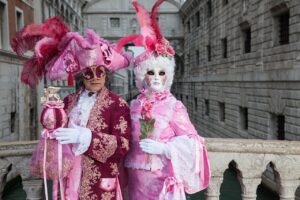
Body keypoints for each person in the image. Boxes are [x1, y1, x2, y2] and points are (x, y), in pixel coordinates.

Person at [12, 17, 131, 200]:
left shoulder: (118, 105)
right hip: (68, 179)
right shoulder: (67, 102)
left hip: (99, 183)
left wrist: (86, 137)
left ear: (106, 75)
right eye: (88, 73)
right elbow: (54, 131)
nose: (94, 78)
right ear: (81, 76)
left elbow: (123, 145)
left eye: (99, 72)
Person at [117, 0, 211, 199]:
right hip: (135, 179)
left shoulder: (174, 106)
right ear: (143, 76)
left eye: (162, 72)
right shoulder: (134, 105)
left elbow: (194, 141)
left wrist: (166, 148)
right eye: (151, 72)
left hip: (162, 179)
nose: (157, 77)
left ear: (168, 75)